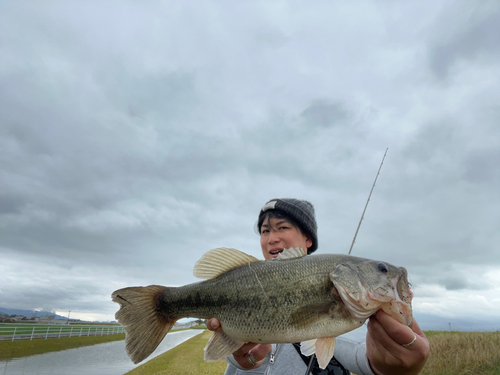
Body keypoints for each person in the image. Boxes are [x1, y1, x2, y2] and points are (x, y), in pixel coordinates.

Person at [207, 198, 430, 375]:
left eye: (281, 227)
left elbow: (364, 355)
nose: (271, 238)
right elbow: (225, 341)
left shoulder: (350, 312)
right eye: (265, 231)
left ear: (308, 239)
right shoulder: (239, 282)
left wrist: (396, 366)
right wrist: (242, 359)